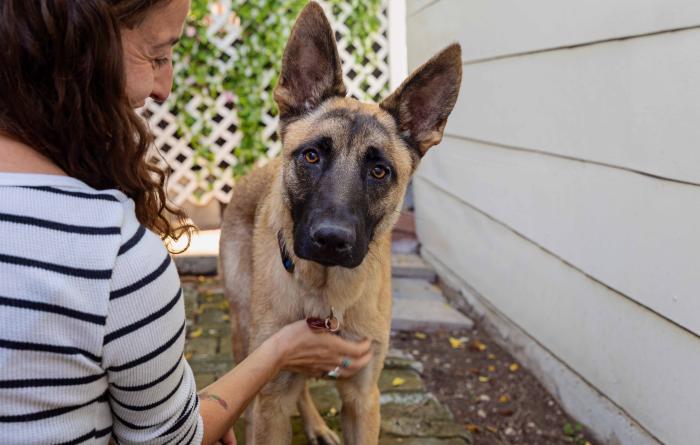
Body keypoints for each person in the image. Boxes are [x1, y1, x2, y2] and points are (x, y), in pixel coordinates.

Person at [0, 1, 373, 444]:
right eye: (157, 55)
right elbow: (175, 438)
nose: (165, 87)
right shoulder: (115, 260)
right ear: (75, 53)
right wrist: (279, 350)